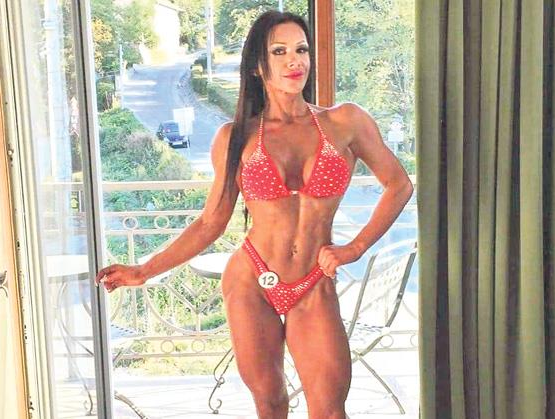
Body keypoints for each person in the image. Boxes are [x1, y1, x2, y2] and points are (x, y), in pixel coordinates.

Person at [96, 10, 413, 419]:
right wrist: (144, 270)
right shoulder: (236, 137)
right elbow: (211, 222)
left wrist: (355, 248)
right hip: (252, 280)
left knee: (330, 411)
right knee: (270, 404)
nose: (294, 61)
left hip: (313, 281)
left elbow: (399, 185)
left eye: (301, 50)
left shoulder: (345, 121)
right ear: (258, 66)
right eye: (279, 52)